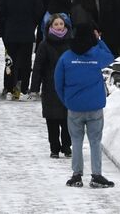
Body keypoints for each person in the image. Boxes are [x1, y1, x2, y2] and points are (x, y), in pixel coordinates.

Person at [54, 20, 115, 189]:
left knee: (76, 141)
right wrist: (99, 40)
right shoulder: (96, 55)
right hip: (95, 106)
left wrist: (66, 101)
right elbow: (110, 57)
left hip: (74, 107)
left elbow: (58, 83)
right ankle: (96, 175)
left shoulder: (66, 57)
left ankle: (76, 175)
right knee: (95, 141)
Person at [32, 13, 75, 158]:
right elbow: (38, 66)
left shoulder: (71, 43)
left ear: (65, 25)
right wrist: (34, 88)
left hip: (68, 86)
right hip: (50, 86)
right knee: (52, 120)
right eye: (55, 24)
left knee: (67, 119)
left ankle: (67, 146)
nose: (59, 26)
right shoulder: (44, 45)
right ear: (50, 26)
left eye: (61, 24)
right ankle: (54, 148)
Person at [0, 0, 42, 99]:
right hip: (27, 32)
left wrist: (2, 27)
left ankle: (9, 88)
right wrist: (32, 23)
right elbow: (39, 12)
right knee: (26, 61)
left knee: (10, 60)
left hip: (10, 32)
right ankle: (23, 88)